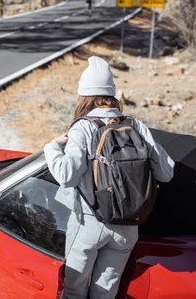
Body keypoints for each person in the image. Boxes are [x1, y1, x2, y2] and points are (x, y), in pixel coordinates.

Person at [43, 56, 175, 299]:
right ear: (112, 94)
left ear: (84, 96)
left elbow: (66, 176)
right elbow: (166, 173)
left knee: (74, 290)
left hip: (89, 224)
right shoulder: (135, 125)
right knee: (105, 293)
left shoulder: (82, 127)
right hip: (128, 227)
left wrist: (51, 147)